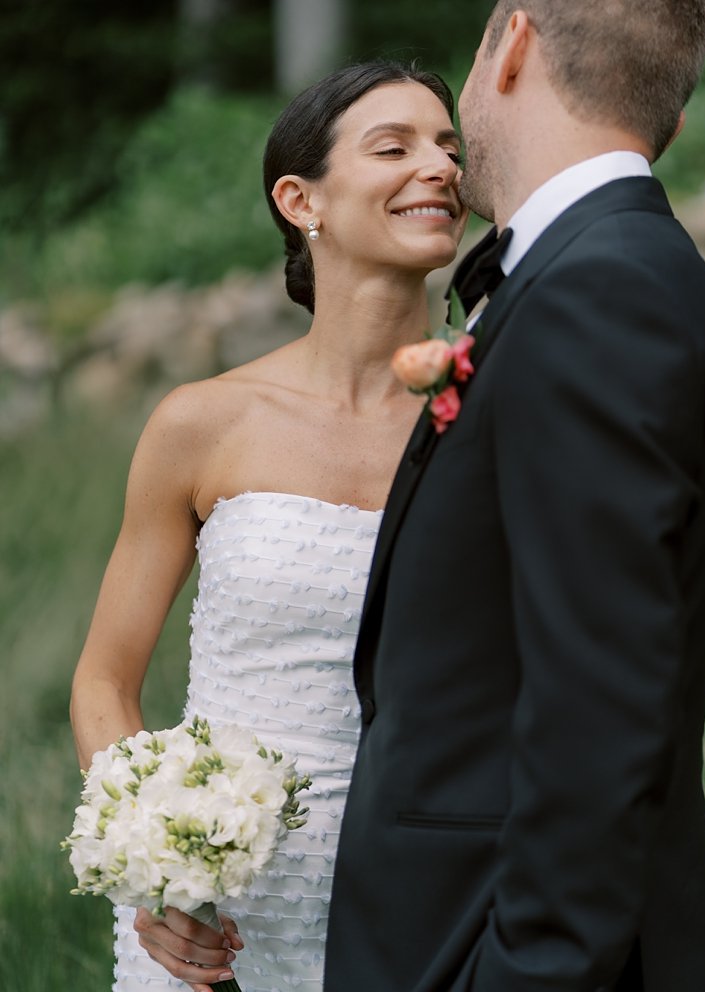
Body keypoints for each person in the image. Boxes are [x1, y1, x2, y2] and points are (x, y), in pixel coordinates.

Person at [322, 3, 705, 990]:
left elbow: (599, 707)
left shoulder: (599, 291)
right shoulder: (610, 271)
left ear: (512, 44)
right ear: (670, 125)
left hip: (494, 949)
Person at [68, 62, 468, 992]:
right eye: (395, 147)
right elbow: (103, 677)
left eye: (450, 146)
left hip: (430, 906)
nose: (440, 167)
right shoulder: (202, 422)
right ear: (300, 200)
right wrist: (153, 871)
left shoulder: (487, 423)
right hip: (213, 930)